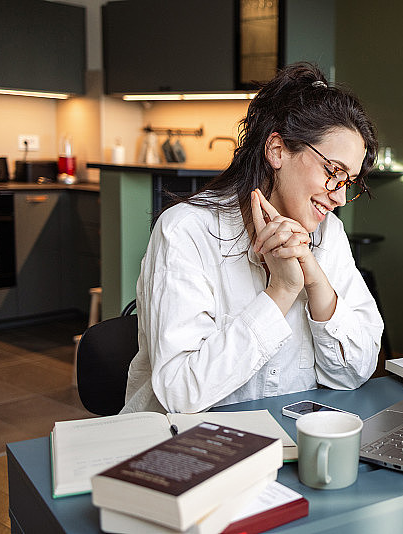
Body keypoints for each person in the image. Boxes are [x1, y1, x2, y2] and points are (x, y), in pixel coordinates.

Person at [121, 63, 384, 414]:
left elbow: (355, 372)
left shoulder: (328, 233)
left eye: (347, 181)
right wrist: (282, 291)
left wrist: (315, 279)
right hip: (180, 445)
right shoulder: (186, 231)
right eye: (333, 172)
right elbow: (181, 392)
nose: (338, 197)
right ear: (277, 150)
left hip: (283, 441)